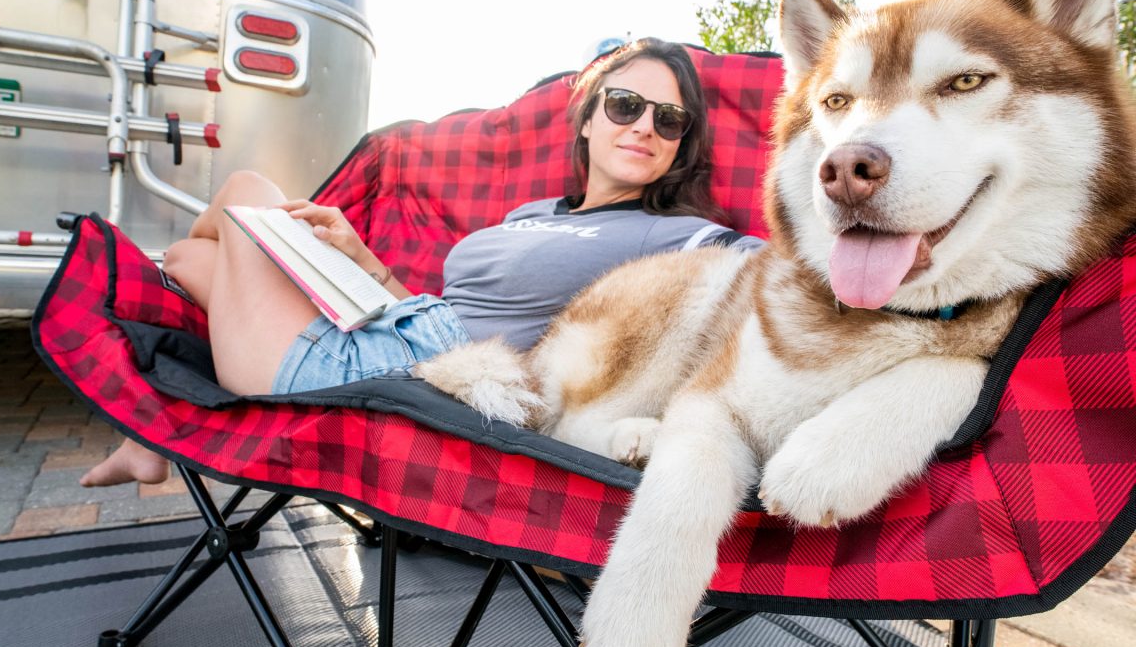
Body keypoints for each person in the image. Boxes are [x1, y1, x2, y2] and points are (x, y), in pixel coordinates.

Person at [80, 38, 763, 486]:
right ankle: (150, 442)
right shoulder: (535, 214)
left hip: (433, 387)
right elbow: (448, 309)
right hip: (393, 327)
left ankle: (148, 433)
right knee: (189, 254)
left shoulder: (669, 237)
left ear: (679, 146)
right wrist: (362, 261)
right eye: (625, 105)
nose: (645, 126)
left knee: (244, 197)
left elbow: (773, 277)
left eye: (669, 120)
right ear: (587, 119)